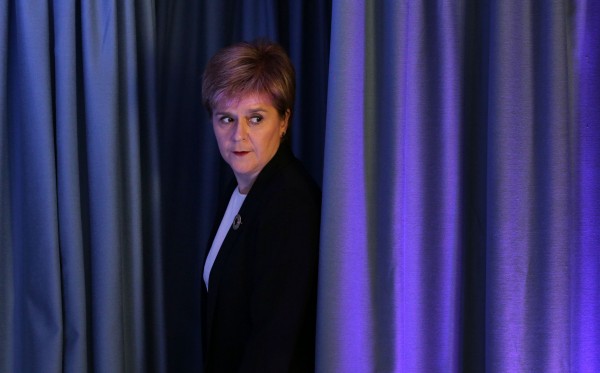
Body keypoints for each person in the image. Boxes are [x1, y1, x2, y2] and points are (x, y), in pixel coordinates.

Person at [200, 40, 321, 372]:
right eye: (226, 118)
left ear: (283, 122)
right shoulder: (239, 188)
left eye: (255, 119)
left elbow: (274, 344)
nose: (238, 135)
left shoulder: (290, 204)